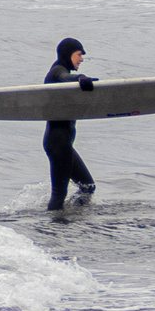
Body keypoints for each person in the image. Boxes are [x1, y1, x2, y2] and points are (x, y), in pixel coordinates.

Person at [43, 37, 97, 210]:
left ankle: (71, 215)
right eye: (79, 54)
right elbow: (63, 77)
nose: (81, 59)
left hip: (62, 143)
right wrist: (80, 77)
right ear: (68, 54)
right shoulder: (57, 72)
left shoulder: (60, 71)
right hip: (58, 143)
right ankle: (55, 228)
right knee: (59, 193)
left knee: (88, 187)